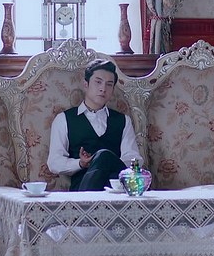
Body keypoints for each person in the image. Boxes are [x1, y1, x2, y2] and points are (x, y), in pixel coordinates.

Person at [47, 59, 144, 191]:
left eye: (109, 84)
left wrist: (110, 162)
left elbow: (134, 159)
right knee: (103, 156)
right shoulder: (64, 119)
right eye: (98, 82)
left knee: (105, 157)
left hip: (117, 189)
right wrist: (80, 163)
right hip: (83, 187)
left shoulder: (123, 121)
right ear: (86, 84)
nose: (103, 89)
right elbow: (54, 163)